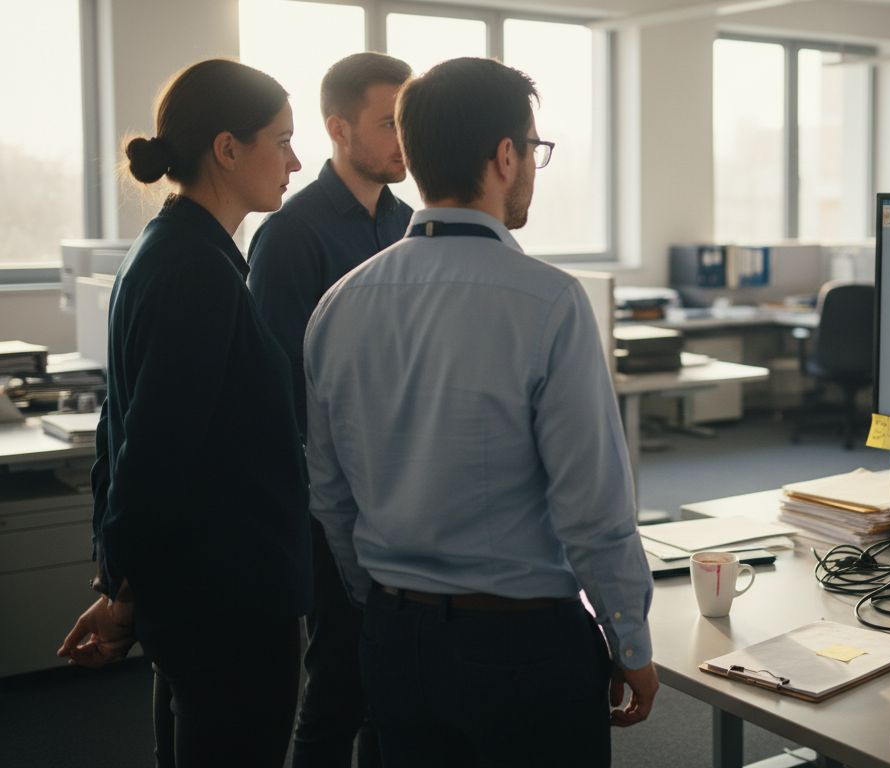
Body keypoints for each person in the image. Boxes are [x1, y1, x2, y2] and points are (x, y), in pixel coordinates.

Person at [304, 57, 658, 767]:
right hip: (521, 649)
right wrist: (630, 641)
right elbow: (592, 508)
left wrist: (381, 599)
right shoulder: (549, 302)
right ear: (505, 156)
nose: (532, 165)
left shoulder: (339, 303)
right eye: (533, 150)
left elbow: (329, 492)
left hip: (394, 642)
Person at [57, 58, 311, 768]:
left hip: (200, 596)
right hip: (227, 601)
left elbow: (125, 428)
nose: (296, 160)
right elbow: (154, 453)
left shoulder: (172, 249)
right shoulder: (195, 271)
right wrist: (119, 593)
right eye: (282, 140)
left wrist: (120, 581)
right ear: (227, 149)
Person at [246, 51, 414, 768]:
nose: (403, 138)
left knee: (397, 688)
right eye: (387, 123)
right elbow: (283, 386)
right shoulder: (292, 232)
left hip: (404, 488)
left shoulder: (413, 223)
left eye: (408, 121)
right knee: (339, 682)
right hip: (331, 499)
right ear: (337, 129)